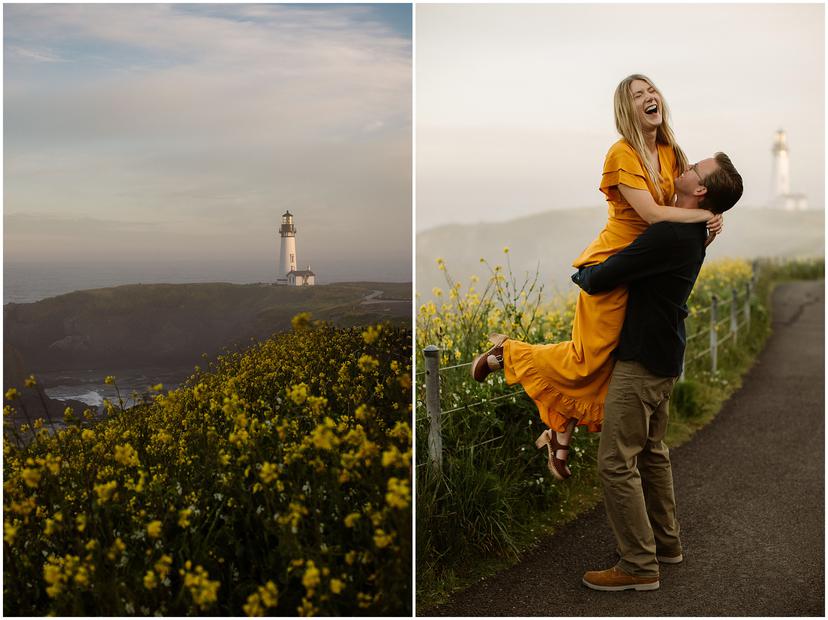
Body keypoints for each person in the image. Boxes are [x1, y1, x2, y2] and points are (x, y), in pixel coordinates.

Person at [471, 74, 723, 480]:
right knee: (587, 359)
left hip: (645, 269)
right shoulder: (621, 154)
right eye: (637, 95)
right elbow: (656, 215)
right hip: (613, 266)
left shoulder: (671, 151)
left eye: (651, 90)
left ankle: (559, 434)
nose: (648, 97)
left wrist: (707, 223)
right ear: (627, 109)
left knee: (609, 364)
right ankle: (507, 355)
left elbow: (688, 201)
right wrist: (703, 217)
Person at [573, 151, 744, 591]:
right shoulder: (693, 234)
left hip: (642, 360)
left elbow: (603, 277)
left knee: (614, 462)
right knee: (651, 453)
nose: (683, 169)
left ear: (700, 190)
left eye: (693, 169)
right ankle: (666, 544)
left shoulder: (670, 233)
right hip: (666, 354)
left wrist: (582, 274)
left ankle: (637, 564)